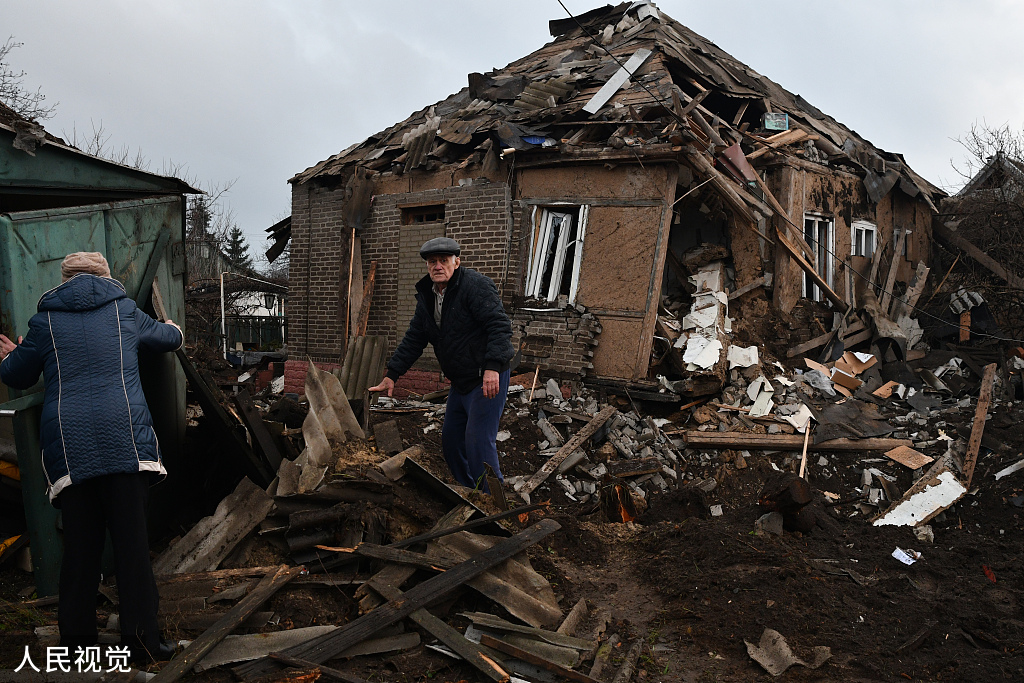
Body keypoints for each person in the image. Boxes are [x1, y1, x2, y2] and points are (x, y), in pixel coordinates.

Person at [0, 252, 183, 665]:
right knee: (132, 548)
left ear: (64, 280)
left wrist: (11, 354)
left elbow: (16, 374)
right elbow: (167, 340)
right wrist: (171, 327)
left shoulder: (44, 321)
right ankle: (143, 645)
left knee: (81, 552)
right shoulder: (125, 311)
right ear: (106, 277)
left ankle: (79, 646)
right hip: (126, 444)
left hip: (71, 450)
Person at [370, 237, 514, 490]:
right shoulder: (427, 295)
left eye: (443, 261)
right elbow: (415, 337)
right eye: (432, 262)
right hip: (460, 382)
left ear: (456, 262)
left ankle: (493, 502)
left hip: (486, 378)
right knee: (451, 442)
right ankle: (467, 493)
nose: (437, 266)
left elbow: (499, 327)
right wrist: (392, 374)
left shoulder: (476, 286)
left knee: (478, 442)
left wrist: (492, 367)